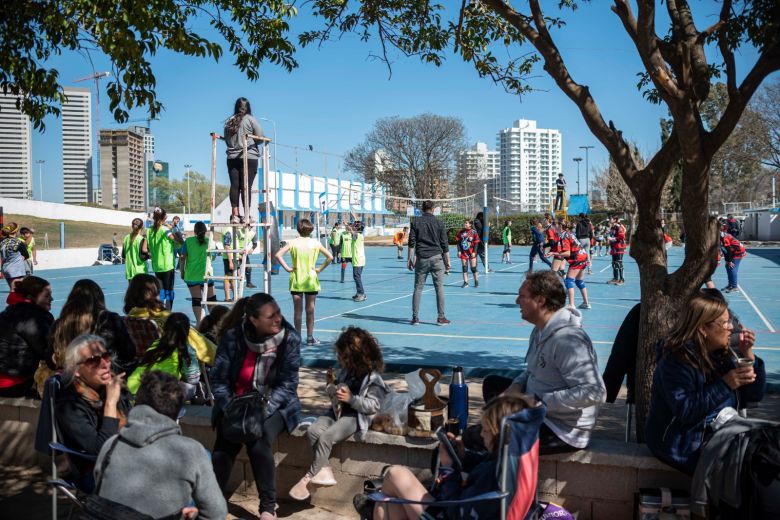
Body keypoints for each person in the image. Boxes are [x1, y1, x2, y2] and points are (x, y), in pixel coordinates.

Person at [479, 271, 605, 454]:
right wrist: (516, 386)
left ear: (540, 301)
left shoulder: (568, 341)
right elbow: (532, 370)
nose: (516, 301)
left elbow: (595, 392)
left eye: (522, 296)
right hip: (538, 410)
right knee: (492, 385)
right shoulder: (540, 330)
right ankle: (497, 439)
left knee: (476, 440)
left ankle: (496, 467)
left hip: (560, 429)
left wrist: (538, 401)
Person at [646, 292, 766, 476]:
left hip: (718, 434)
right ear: (703, 329)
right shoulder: (676, 362)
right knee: (753, 472)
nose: (731, 327)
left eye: (730, 321)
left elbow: (753, 396)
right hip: (682, 446)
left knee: (768, 452)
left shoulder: (722, 354)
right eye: (725, 323)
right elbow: (686, 411)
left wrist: (748, 356)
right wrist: (725, 384)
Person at [359, 395, 534, 520]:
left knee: (395, 475)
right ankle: (374, 508)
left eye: (486, 430)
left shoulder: (492, 475)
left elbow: (456, 512)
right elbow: (485, 463)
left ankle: (372, 508)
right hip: (458, 507)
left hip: (451, 512)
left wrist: (448, 469)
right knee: (390, 502)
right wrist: (463, 456)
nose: (481, 434)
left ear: (499, 435)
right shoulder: (512, 461)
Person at [210, 293, 301, 520]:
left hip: (276, 404)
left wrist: (261, 411)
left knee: (258, 439)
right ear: (253, 320)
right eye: (271, 316)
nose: (278, 319)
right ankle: (211, 500)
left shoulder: (289, 340)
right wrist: (231, 407)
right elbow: (218, 379)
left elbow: (288, 385)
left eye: (278, 312)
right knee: (225, 441)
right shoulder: (233, 338)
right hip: (236, 403)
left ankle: (268, 508)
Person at [94, 371, 227, 520]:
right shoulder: (192, 451)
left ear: (137, 403)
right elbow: (216, 514)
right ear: (177, 413)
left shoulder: (111, 445)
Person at [289, 326, 388, 501]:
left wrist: (352, 399)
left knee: (327, 437)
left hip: (355, 417)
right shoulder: (346, 373)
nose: (339, 360)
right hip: (337, 413)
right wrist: (331, 385)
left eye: (343, 357)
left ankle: (308, 477)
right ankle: (324, 470)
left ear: (354, 357)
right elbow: (336, 397)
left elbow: (374, 405)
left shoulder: (374, 379)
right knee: (312, 431)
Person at [56, 334, 132, 490]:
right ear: (76, 370)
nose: (105, 364)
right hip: (95, 472)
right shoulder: (69, 404)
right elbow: (100, 452)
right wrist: (110, 403)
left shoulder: (113, 387)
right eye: (93, 360)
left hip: (130, 459)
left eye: (106, 356)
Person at [37, 279, 135, 396]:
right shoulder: (110, 319)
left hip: (70, 383)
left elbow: (51, 360)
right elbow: (129, 353)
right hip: (103, 381)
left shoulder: (60, 324)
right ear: (99, 299)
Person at [123, 274, 217, 364]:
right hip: (168, 370)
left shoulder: (126, 322)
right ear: (156, 295)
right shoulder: (168, 319)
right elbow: (201, 346)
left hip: (137, 367)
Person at [275, 219, 333, 345]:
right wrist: (319, 269)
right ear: (310, 229)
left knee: (297, 311)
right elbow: (330, 257)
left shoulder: (293, 243)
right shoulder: (315, 243)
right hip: (311, 280)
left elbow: (278, 255)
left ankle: (297, 338)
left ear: (298, 229)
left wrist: (288, 268)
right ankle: (310, 337)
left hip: (297, 279)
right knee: (310, 310)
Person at [0, 276, 54, 397]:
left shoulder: (9, 311)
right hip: (13, 384)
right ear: (31, 297)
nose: (51, 299)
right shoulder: (32, 318)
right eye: (46, 296)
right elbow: (47, 352)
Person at [127, 313, 201, 400]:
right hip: (155, 395)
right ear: (187, 331)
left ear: (165, 328)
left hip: (131, 390)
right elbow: (193, 379)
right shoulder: (186, 349)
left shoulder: (156, 344)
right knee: (193, 387)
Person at [408, 200, 451, 326]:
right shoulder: (439, 222)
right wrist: (447, 261)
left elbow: (411, 242)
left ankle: (415, 318)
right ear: (433, 209)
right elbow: (445, 244)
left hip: (421, 258)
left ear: (422, 209)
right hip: (437, 258)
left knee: (418, 288)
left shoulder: (415, 221)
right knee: (439, 288)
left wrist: (409, 259)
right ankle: (441, 317)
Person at [224, 97, 265, 224]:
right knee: (246, 187)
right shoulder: (250, 119)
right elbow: (260, 138)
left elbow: (226, 140)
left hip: (232, 157)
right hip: (249, 156)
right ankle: (247, 215)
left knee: (234, 186)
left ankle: (235, 215)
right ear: (248, 108)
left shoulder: (229, 121)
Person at [180, 221, 217, 323]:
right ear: (205, 231)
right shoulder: (210, 242)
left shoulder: (188, 241)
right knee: (211, 299)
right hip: (206, 275)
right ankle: (215, 322)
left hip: (191, 275)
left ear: (194, 231)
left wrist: (182, 272)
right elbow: (213, 258)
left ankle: (200, 322)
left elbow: (182, 258)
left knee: (196, 299)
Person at [147, 207, 182, 310]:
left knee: (161, 291)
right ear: (164, 217)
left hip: (157, 265)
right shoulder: (165, 230)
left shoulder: (149, 231)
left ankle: (160, 310)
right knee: (169, 290)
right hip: (167, 265)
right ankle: (168, 312)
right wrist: (172, 228)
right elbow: (179, 241)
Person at [559, 221, 591, 309]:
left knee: (569, 280)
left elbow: (568, 253)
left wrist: (555, 253)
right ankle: (586, 303)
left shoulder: (564, 236)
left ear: (561, 226)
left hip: (577, 258)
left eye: (556, 225)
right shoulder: (570, 233)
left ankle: (571, 304)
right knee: (579, 281)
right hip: (583, 256)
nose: (556, 227)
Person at [0, 222, 30, 288]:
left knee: (13, 289)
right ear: (16, 231)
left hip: (5, 268)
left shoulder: (2, 242)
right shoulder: (18, 242)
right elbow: (26, 255)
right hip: (16, 270)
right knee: (17, 290)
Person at [122, 218, 149, 282]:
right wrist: (149, 254)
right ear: (142, 227)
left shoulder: (126, 238)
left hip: (130, 270)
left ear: (132, 226)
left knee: (132, 291)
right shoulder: (141, 239)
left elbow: (123, 255)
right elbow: (142, 257)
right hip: (140, 270)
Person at [455, 219, 480, 288]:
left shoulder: (474, 232)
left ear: (470, 224)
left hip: (471, 252)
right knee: (464, 268)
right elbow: (458, 242)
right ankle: (466, 282)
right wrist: (459, 251)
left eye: (466, 223)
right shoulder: (461, 232)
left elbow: (476, 243)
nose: (465, 224)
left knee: (473, 268)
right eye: (464, 223)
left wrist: (474, 252)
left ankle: (476, 281)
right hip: (464, 252)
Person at [351, 220, 368, 301]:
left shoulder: (356, 235)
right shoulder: (361, 235)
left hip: (357, 260)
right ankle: (359, 293)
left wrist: (348, 225)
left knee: (357, 277)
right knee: (357, 277)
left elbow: (351, 230)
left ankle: (361, 294)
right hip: (361, 259)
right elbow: (361, 224)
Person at [607, 216, 627, 285]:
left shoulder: (619, 227)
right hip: (614, 248)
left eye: (611, 218)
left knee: (619, 263)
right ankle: (615, 278)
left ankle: (622, 279)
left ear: (615, 220)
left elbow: (622, 236)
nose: (609, 219)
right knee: (614, 263)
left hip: (619, 247)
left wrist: (613, 239)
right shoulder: (612, 227)